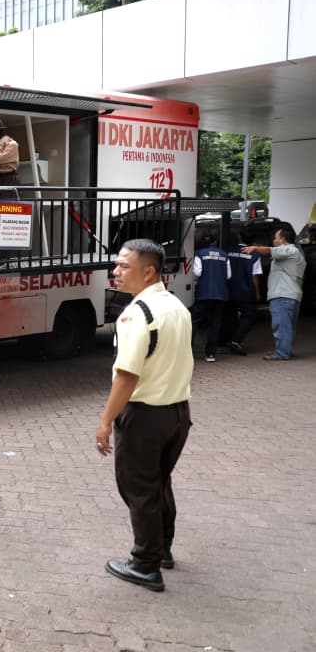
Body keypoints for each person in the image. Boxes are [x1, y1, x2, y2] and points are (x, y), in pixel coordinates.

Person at [95, 239, 193, 593]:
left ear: (148, 271)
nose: (115, 271)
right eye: (116, 265)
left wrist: (106, 421)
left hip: (145, 417)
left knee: (139, 489)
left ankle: (146, 564)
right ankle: (162, 548)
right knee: (158, 482)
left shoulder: (137, 314)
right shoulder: (176, 307)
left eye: (123, 266)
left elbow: (127, 375)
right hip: (177, 414)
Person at [244, 227, 307, 361]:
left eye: (276, 237)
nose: (274, 240)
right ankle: (284, 350)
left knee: (281, 324)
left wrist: (254, 248)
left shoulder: (289, 250)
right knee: (288, 326)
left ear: (283, 239)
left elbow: (269, 250)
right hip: (291, 295)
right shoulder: (296, 253)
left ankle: (282, 353)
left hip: (283, 294)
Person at [191, 230, 230, 362]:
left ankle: (188, 352)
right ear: (216, 241)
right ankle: (211, 354)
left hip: (204, 293)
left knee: (194, 322)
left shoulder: (200, 254)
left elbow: (197, 272)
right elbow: (228, 275)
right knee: (216, 323)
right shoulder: (224, 255)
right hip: (220, 294)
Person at [222, 227, 262, 356]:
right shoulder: (254, 255)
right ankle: (235, 340)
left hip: (229, 289)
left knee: (229, 315)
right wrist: (257, 292)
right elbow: (255, 275)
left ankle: (225, 340)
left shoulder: (228, 251)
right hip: (246, 290)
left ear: (240, 236)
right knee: (250, 315)